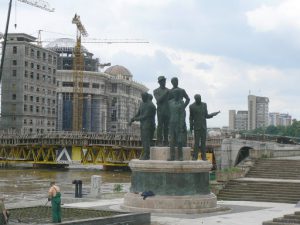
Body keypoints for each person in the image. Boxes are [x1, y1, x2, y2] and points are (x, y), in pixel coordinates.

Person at [189, 94, 220, 160]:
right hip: (196, 127)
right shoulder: (191, 106)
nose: (200, 100)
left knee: (203, 143)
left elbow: (206, 115)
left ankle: (204, 157)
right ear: (196, 99)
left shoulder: (204, 105)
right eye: (198, 99)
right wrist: (191, 127)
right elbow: (191, 118)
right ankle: (195, 157)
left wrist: (213, 114)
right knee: (196, 143)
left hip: (203, 126)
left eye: (200, 98)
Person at [129, 92, 156, 160]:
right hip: (143, 125)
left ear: (146, 97)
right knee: (144, 140)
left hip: (149, 125)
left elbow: (144, 116)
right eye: (142, 97)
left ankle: (146, 155)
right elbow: (138, 113)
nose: (142, 98)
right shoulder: (142, 104)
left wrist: (135, 119)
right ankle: (146, 154)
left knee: (147, 141)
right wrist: (132, 119)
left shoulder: (151, 105)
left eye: (143, 97)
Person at [169, 77, 190, 146]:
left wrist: (183, 106)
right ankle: (174, 142)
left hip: (181, 110)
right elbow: (168, 101)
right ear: (172, 83)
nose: (176, 82)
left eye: (177, 81)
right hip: (173, 111)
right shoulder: (170, 91)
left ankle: (183, 143)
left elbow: (188, 99)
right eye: (174, 81)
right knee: (173, 127)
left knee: (182, 125)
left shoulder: (182, 90)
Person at [168, 89, 185, 161]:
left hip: (179, 123)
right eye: (174, 94)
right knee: (171, 140)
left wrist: (181, 124)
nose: (176, 95)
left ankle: (180, 156)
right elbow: (168, 113)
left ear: (179, 95)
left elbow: (183, 114)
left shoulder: (181, 102)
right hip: (171, 123)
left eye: (177, 94)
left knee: (179, 140)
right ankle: (172, 156)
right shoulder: (169, 102)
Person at [153, 76, 170, 146]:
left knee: (166, 127)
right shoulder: (156, 91)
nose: (164, 82)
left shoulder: (169, 90)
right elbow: (158, 100)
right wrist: (166, 93)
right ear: (159, 82)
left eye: (165, 81)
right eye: (162, 81)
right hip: (160, 111)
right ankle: (159, 141)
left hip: (168, 111)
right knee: (160, 126)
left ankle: (166, 141)